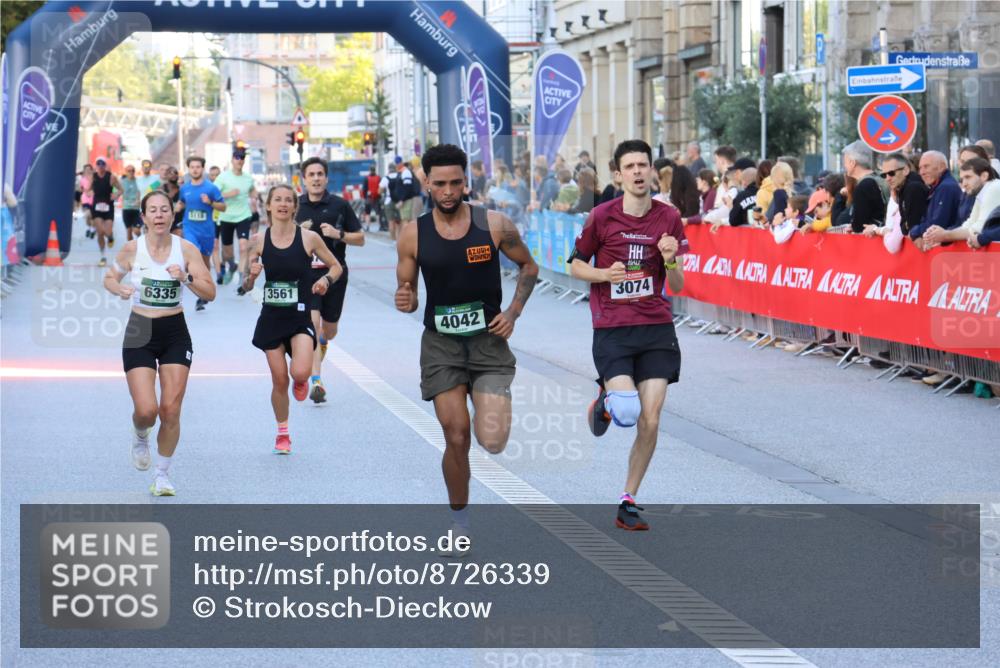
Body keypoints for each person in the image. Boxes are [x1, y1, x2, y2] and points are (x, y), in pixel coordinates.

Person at [394, 143, 538, 537]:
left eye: (455, 183)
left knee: (491, 441)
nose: (448, 191)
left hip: (488, 343)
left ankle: (488, 403)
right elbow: (408, 295)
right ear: (426, 183)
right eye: (440, 184)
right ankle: (459, 523)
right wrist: (406, 301)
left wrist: (512, 313)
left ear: (465, 182)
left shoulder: (494, 225)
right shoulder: (413, 234)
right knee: (456, 435)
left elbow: (528, 266)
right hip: (441, 345)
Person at [569, 139, 686, 531]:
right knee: (627, 413)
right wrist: (604, 274)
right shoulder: (601, 217)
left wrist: (670, 260)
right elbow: (575, 266)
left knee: (650, 420)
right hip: (613, 328)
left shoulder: (669, 217)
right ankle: (606, 401)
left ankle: (628, 500)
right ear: (618, 175)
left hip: (656, 328)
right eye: (630, 166)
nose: (638, 172)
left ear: (652, 171)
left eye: (643, 165)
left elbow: (678, 285)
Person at [102, 190, 217, 495]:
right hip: (140, 329)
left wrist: (186, 278)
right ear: (143, 217)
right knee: (147, 410)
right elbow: (109, 278)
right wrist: (119, 289)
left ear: (172, 215)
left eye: (164, 209)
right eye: (152, 210)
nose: (159, 215)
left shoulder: (186, 250)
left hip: (174, 331)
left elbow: (210, 292)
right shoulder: (132, 249)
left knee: (171, 409)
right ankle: (140, 433)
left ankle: (162, 476)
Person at [243, 185, 343, 454]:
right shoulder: (258, 240)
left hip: (299, 316)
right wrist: (251, 276)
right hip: (271, 319)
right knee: (279, 381)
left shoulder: (309, 238)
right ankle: (283, 433)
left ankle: (301, 380)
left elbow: (336, 266)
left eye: (288, 200)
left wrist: (325, 280)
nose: (283, 204)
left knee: (299, 373)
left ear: (294, 207)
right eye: (278, 200)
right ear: (268, 205)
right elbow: (246, 285)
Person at [296, 157, 365, 403]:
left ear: (326, 178)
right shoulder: (296, 206)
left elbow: (361, 238)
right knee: (313, 325)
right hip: (307, 276)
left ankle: (324, 342)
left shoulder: (340, 205)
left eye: (320, 174)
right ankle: (317, 381)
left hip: (335, 274)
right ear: (304, 179)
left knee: (329, 330)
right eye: (311, 174)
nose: (316, 178)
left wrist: (339, 234)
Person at [178, 156, 226, 311]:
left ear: (202, 169)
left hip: (207, 231)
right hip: (189, 228)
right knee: (193, 253)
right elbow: (181, 202)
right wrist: (176, 207)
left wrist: (210, 203)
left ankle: (204, 290)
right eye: (192, 167)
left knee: (204, 263)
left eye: (198, 167)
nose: (195, 170)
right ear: (189, 169)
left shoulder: (211, 188)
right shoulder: (184, 188)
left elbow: (223, 207)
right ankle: (194, 287)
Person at [923, 158, 1000, 248]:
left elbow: (979, 229)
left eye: (968, 177)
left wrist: (945, 235)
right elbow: (969, 223)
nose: (964, 184)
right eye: (962, 179)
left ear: (984, 176)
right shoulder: (983, 191)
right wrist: (940, 236)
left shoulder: (994, 188)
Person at [215, 148, 258, 288]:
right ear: (232, 160)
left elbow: (252, 190)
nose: (240, 160)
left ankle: (241, 276)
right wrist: (229, 194)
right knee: (227, 252)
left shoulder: (248, 178)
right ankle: (232, 265)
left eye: (242, 158)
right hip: (226, 216)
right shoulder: (223, 177)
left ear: (244, 161)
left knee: (243, 246)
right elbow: (213, 194)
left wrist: (255, 196)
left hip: (243, 215)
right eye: (237, 157)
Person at [910, 150, 962, 249]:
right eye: (920, 168)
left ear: (942, 167)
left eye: (926, 166)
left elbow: (936, 225)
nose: (921, 172)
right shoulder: (939, 187)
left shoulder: (946, 187)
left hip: (949, 251)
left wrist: (914, 231)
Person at [841, 141, 888, 233]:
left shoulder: (863, 186)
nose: (844, 166)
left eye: (845, 162)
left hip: (876, 238)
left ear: (852, 163)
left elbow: (859, 225)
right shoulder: (881, 178)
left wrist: (854, 226)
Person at [878, 152, 928, 236]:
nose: (888, 178)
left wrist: (906, 224)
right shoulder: (903, 188)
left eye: (891, 173)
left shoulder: (913, 188)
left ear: (905, 170)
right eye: (884, 175)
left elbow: (912, 226)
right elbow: (904, 228)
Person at [91, 158, 121, 267]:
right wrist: (87, 192)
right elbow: (87, 189)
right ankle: (103, 256)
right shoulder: (93, 177)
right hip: (96, 207)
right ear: (96, 166)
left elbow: (121, 189)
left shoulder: (111, 177)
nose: (100, 166)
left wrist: (116, 194)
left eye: (102, 164)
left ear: (105, 165)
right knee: (100, 232)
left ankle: (110, 236)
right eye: (98, 164)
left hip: (108, 207)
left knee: (107, 232)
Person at [120, 164, 143, 241]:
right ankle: (131, 248)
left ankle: (141, 241)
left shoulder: (138, 181)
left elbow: (141, 191)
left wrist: (139, 200)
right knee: (129, 233)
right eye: (129, 171)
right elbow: (116, 191)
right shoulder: (122, 182)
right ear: (126, 172)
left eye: (133, 171)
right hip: (126, 209)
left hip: (136, 210)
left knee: (136, 231)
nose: (131, 172)